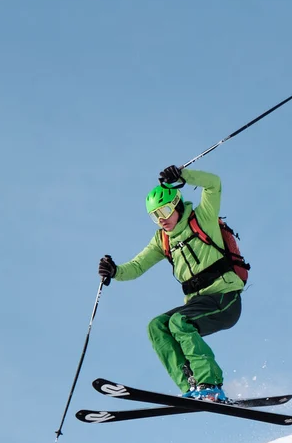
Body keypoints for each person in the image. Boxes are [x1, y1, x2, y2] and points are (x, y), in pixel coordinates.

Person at [98, 164, 245, 402]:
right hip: (199, 303)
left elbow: (214, 183)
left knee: (179, 322)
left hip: (225, 298)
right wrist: (114, 271)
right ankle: (192, 384)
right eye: (154, 216)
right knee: (157, 326)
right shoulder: (163, 239)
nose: (161, 219)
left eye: (164, 211)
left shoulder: (203, 218)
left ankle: (211, 383)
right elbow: (137, 266)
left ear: (176, 204)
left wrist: (183, 175)